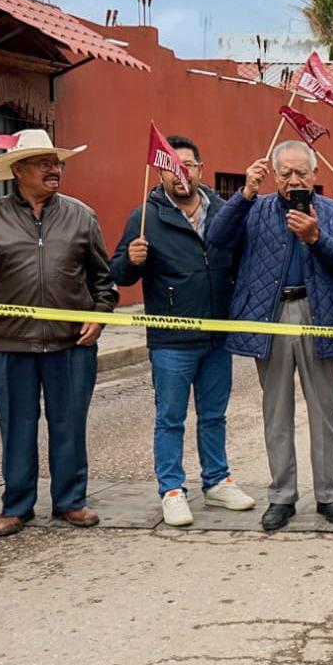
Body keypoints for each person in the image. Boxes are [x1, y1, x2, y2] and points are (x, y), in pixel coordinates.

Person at [0, 129, 117, 537]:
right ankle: (16, 506)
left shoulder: (81, 215)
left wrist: (99, 316)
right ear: (18, 169)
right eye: (43, 163)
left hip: (71, 343)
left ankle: (71, 501)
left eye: (56, 162)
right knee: (16, 429)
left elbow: (104, 280)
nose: (54, 169)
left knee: (70, 426)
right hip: (13, 343)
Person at [209, 140, 333, 531]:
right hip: (271, 316)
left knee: (324, 411)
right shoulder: (254, 208)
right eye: (285, 173)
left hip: (318, 315)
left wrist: (316, 238)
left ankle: (328, 494)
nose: (294, 180)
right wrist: (244, 194)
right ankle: (281, 496)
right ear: (273, 175)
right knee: (276, 412)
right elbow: (217, 239)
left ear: (315, 174)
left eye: (301, 173)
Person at [111, 136, 253, 528]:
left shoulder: (223, 211)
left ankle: (217, 481)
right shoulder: (146, 216)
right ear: (160, 172)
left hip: (218, 336)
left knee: (214, 415)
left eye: (187, 165)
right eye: (171, 166)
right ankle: (172, 490)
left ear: (200, 169)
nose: (180, 173)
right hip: (171, 340)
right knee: (170, 418)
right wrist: (131, 259)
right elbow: (118, 273)